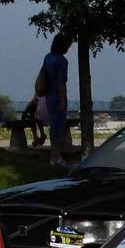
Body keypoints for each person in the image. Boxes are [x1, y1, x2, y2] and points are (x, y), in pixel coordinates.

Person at [41, 33, 71, 167]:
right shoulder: (62, 61)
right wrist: (63, 100)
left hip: (48, 95)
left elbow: (43, 74)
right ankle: (55, 156)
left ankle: (54, 156)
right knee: (58, 127)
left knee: (54, 125)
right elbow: (61, 82)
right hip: (57, 96)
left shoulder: (48, 58)